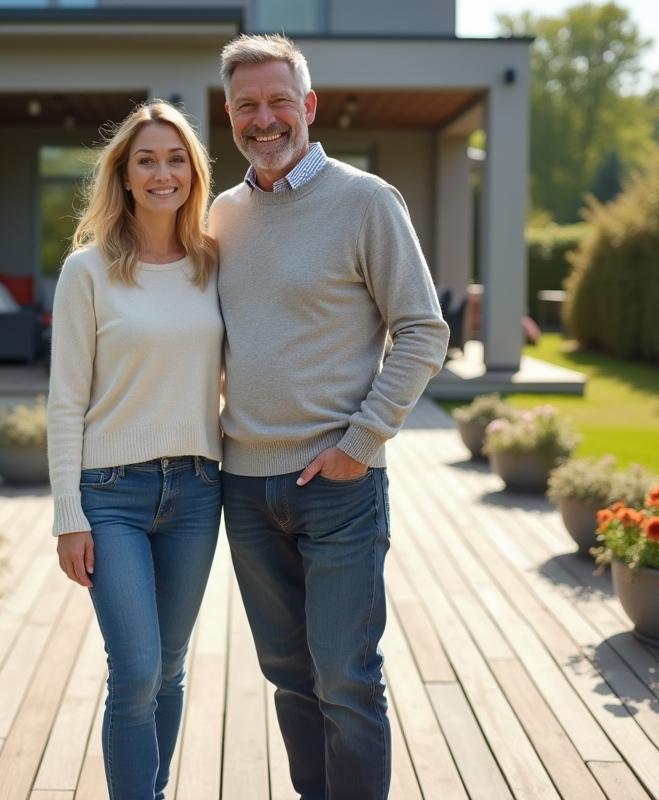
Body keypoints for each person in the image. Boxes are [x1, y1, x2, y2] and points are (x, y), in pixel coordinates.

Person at [210, 34, 450, 800]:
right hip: (244, 489)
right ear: (229, 114)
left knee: (346, 680)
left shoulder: (367, 200)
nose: (265, 118)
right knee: (288, 677)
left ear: (308, 106)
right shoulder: (221, 214)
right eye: (248, 104)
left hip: (339, 485)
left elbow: (424, 330)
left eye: (280, 100)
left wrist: (361, 442)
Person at [47, 101, 223, 800]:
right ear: (122, 176)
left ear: (193, 172)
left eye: (176, 158)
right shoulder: (87, 272)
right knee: (138, 669)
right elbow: (65, 400)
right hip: (110, 494)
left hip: (198, 490)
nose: (162, 173)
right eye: (146, 160)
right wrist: (68, 513)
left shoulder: (215, 263)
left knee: (171, 666)